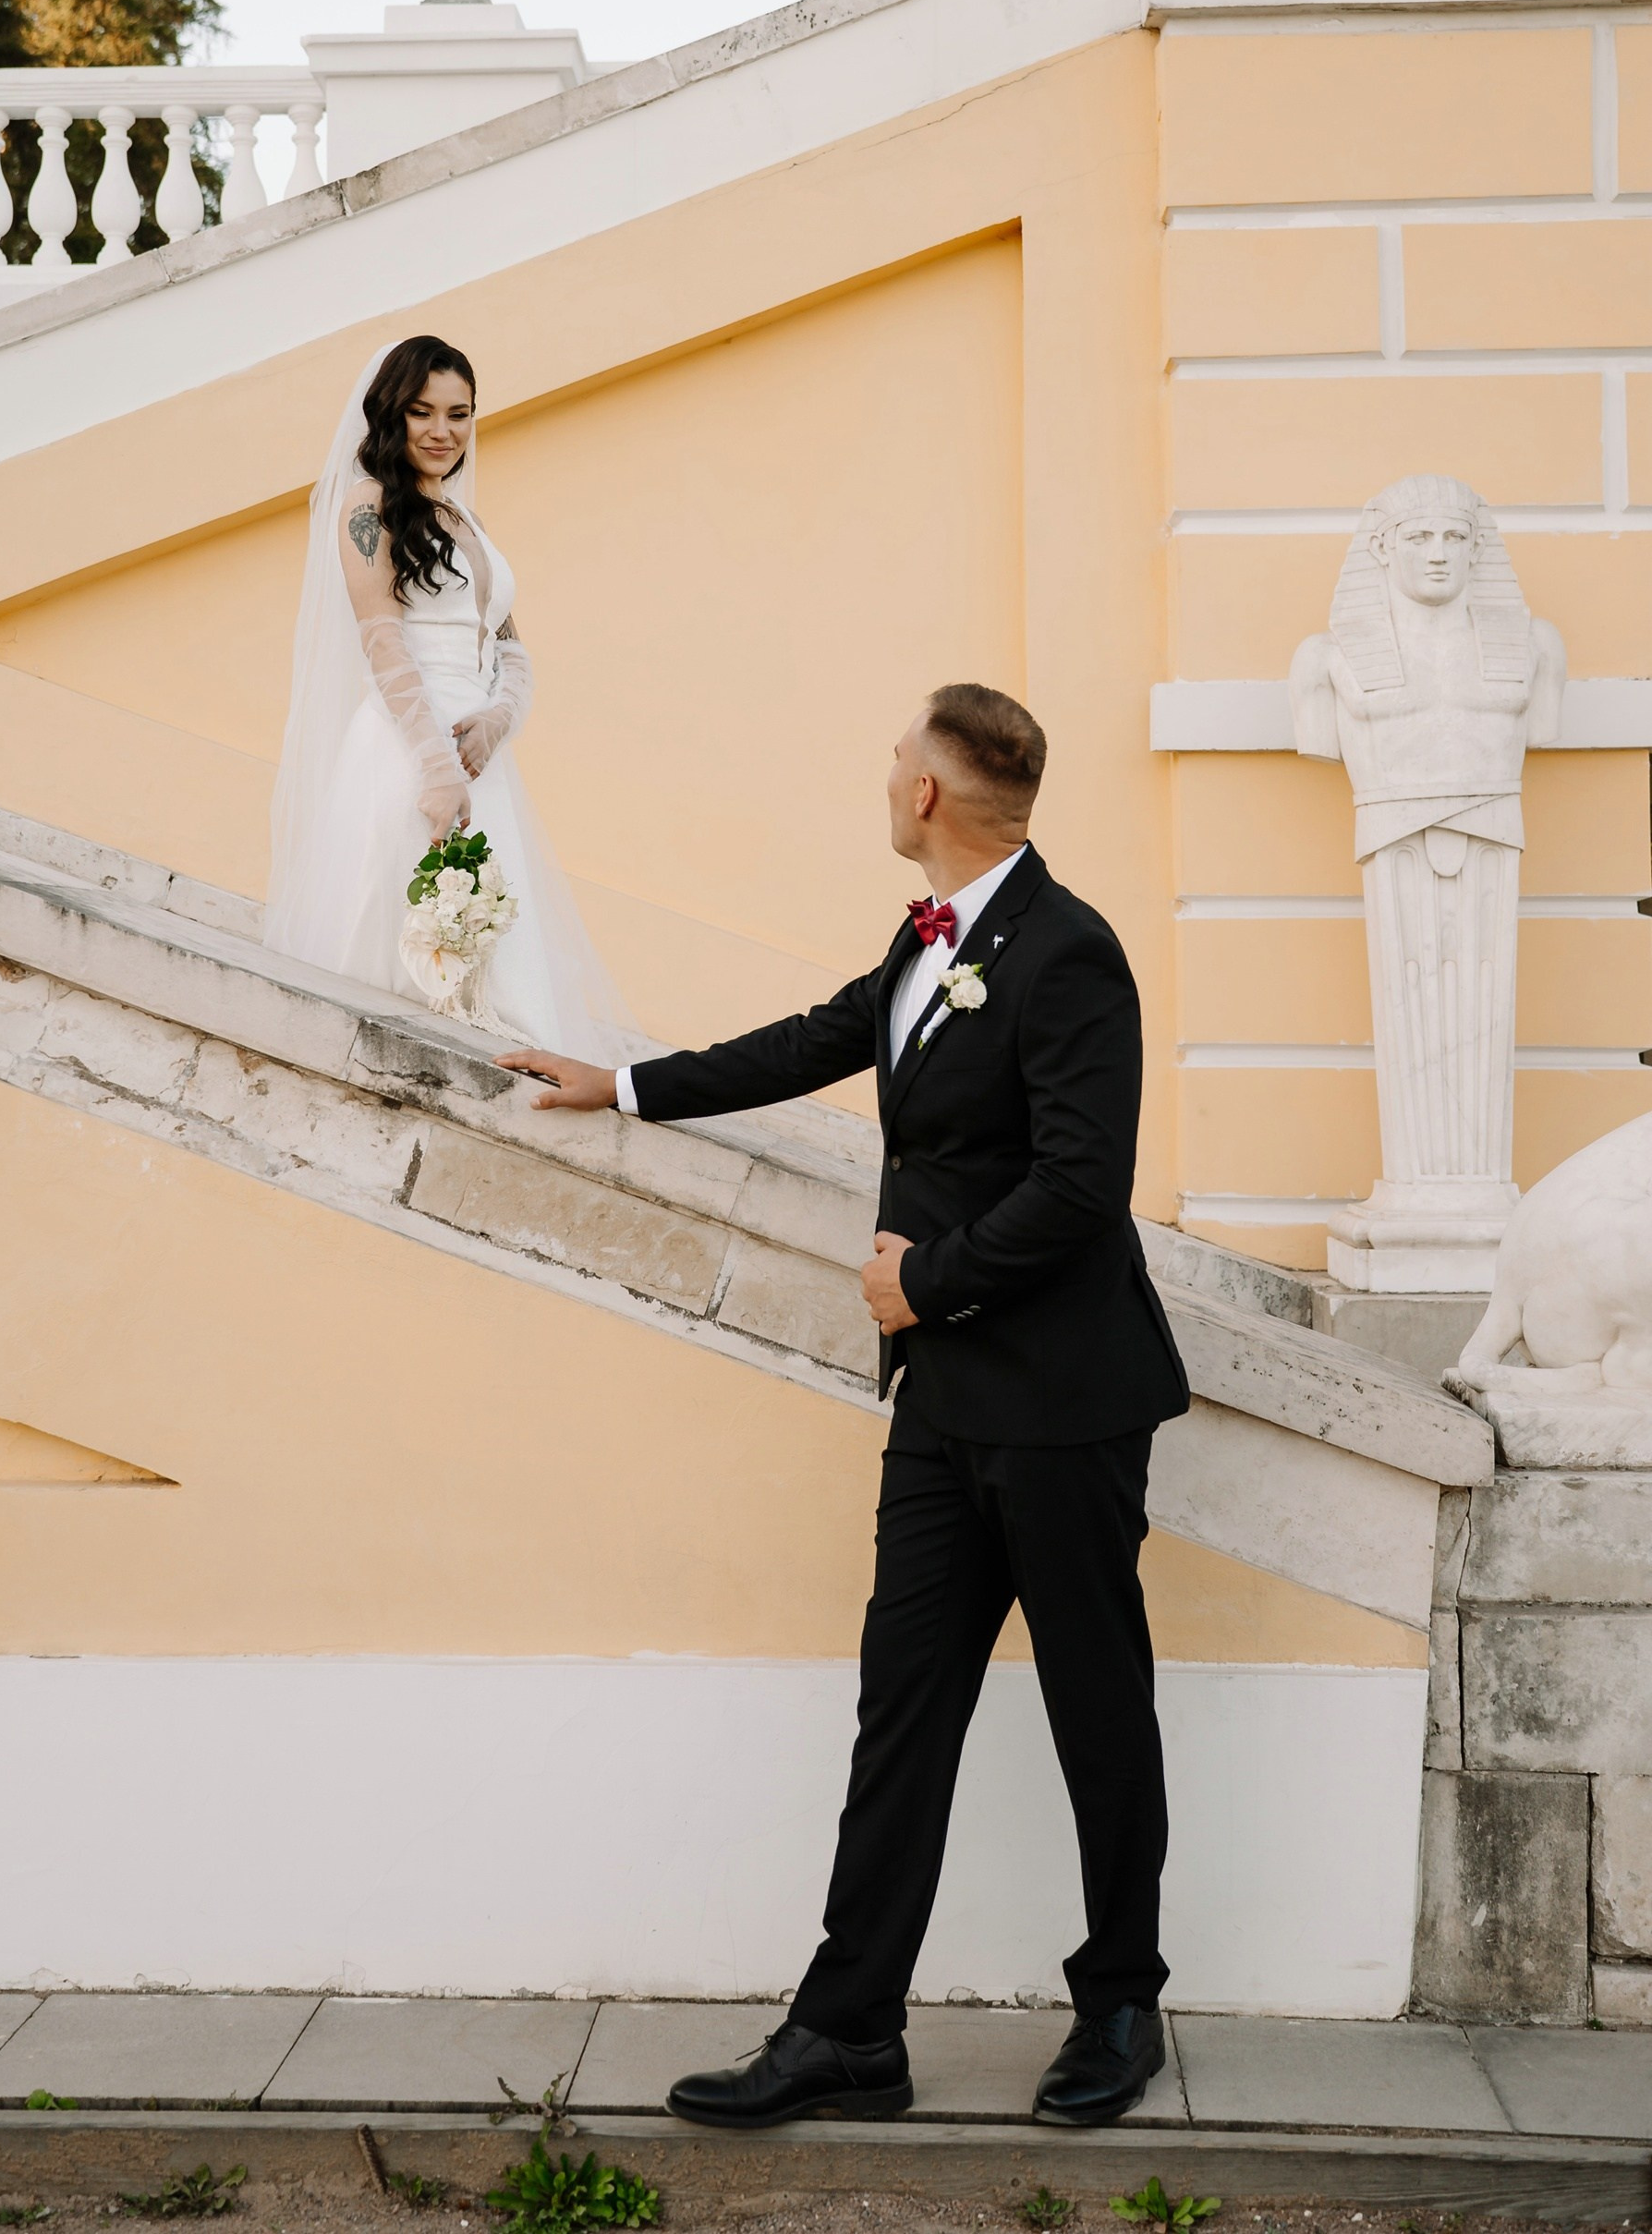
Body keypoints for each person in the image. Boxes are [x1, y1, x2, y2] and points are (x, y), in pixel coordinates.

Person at [498, 685, 1190, 2131]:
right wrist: (621, 1083)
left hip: (1064, 1407)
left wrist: (925, 1283)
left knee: (1096, 1709)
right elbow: (820, 1037)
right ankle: (849, 2030)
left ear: (930, 793)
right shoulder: (927, 939)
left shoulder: (1071, 955)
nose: (885, 777)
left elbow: (1082, 1189)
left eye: (895, 759)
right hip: (941, 1408)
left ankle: (1122, 2003)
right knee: (903, 1712)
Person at [263, 334, 638, 1062]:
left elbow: (510, 647)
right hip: (410, 755)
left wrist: (500, 719)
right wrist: (434, 766)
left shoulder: (468, 521)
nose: (443, 431)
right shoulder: (367, 508)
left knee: (499, 956)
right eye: (422, 412)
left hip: (477, 758)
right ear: (390, 415)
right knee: (401, 951)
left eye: (459, 413)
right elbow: (382, 639)